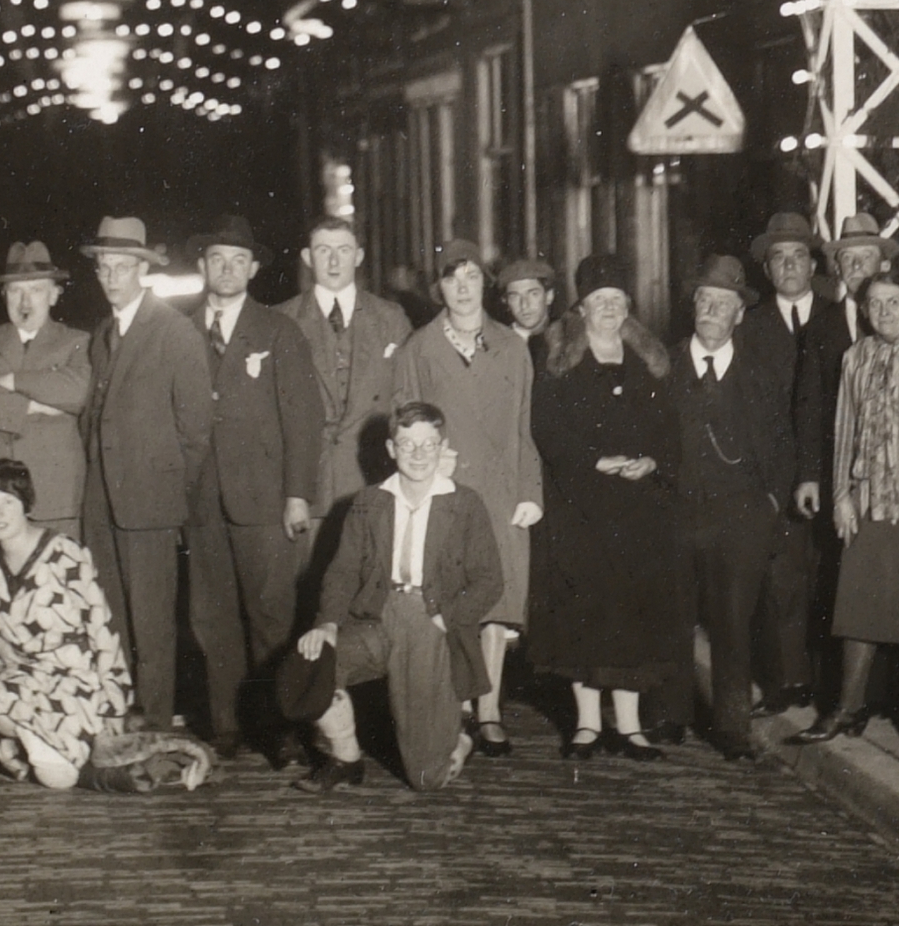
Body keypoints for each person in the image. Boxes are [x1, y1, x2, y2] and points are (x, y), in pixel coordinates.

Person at [280, 401, 502, 795]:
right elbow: (343, 572)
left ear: (442, 447)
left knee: (427, 779)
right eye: (407, 444)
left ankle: (464, 734)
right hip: (376, 619)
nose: (418, 454)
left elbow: (489, 580)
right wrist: (327, 624)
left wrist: (445, 619)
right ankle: (346, 759)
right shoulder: (368, 503)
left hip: (431, 623)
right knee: (310, 665)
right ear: (390, 449)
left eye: (428, 444)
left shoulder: (465, 503)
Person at [528, 254, 688, 760]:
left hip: (639, 510)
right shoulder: (558, 359)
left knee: (634, 614)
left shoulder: (650, 358)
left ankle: (631, 726)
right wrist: (594, 462)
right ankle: (587, 724)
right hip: (581, 506)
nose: (609, 309)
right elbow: (545, 427)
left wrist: (652, 461)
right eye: (600, 301)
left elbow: (670, 427)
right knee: (585, 613)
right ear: (581, 308)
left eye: (617, 301)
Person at [389, 240, 541, 758]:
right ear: (439, 288)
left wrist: (529, 491)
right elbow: (403, 421)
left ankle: (490, 709)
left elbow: (526, 427)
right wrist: (426, 465)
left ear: (485, 285)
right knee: (452, 599)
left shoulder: (511, 347)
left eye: (472, 277)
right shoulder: (419, 349)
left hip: (500, 490)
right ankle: (454, 709)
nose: (462, 288)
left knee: (497, 603)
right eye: (452, 279)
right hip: (445, 491)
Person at [183, 215, 321, 761]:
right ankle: (227, 725)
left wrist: (296, 494)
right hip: (200, 499)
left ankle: (280, 727)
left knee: (272, 616)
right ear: (202, 266)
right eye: (217, 259)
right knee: (211, 616)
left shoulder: (278, 331)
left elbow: (303, 418)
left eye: (238, 261)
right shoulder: (179, 330)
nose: (227, 269)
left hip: (263, 500)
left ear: (254, 269)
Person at [76, 216, 211, 727]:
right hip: (102, 500)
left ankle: (154, 723)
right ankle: (121, 714)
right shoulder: (102, 334)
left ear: (142, 270)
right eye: (104, 268)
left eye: (122, 267)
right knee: (110, 614)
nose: (111, 277)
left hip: (150, 502)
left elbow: (195, 430)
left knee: (152, 622)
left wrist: (168, 491)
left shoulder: (174, 332)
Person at [807, 270, 899, 743]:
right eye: (875, 304)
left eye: (894, 302)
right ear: (864, 312)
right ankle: (848, 706)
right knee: (858, 603)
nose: (884, 312)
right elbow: (844, 428)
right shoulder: (855, 356)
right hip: (867, 499)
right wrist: (841, 496)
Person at [667, 254, 794, 761]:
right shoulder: (665, 366)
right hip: (678, 514)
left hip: (741, 518)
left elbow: (782, 445)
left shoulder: (760, 374)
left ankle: (732, 725)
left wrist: (769, 503)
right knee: (674, 617)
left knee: (733, 624)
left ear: (740, 314)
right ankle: (670, 715)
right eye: (705, 300)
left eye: (724, 303)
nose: (712, 310)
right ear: (693, 307)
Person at [0, 460, 131, 788]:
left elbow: (102, 629)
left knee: (57, 778)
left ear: (26, 504)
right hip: (28, 672)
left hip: (76, 674)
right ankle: (51, 746)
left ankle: (63, 751)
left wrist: (114, 705)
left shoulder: (65, 552)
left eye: (7, 502)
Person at [744, 210, 840, 716]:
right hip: (775, 474)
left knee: (830, 575)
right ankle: (788, 681)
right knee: (781, 579)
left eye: (798, 256)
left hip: (832, 467)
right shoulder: (749, 326)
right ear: (766, 269)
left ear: (813, 264)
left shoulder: (838, 315)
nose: (788, 266)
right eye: (778, 258)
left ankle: (832, 684)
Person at [286, 216, 411, 546]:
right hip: (311, 488)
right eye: (323, 250)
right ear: (307, 257)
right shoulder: (284, 320)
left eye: (343, 250)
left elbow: (406, 399)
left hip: (373, 478)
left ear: (358, 256)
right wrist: (292, 494)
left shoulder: (390, 318)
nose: (333, 261)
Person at [0, 242, 90, 533]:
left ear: (54, 295)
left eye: (36, 290)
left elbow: (77, 392)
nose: (25, 302)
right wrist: (33, 405)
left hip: (54, 495)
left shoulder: (78, 342)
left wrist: (13, 381)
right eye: (16, 291)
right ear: (4, 294)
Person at [497, 258, 558, 354]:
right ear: (506, 301)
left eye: (533, 294)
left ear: (549, 296)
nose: (524, 305)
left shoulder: (567, 339)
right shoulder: (495, 344)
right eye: (515, 296)